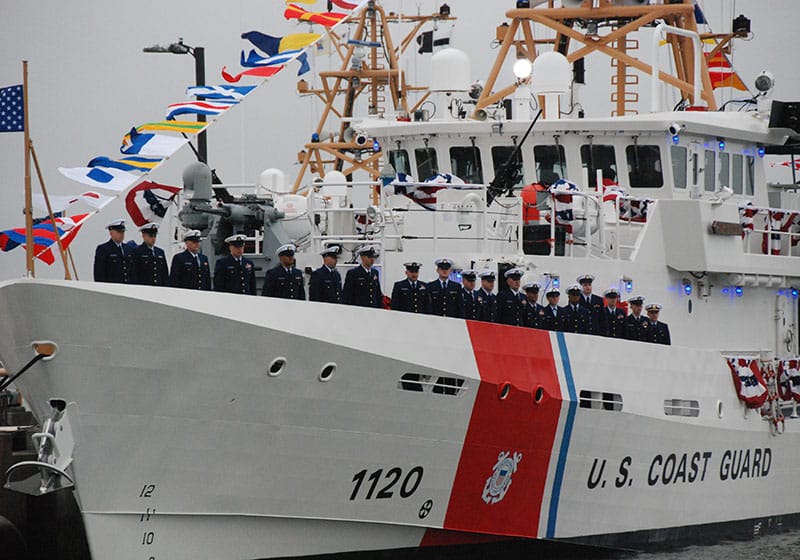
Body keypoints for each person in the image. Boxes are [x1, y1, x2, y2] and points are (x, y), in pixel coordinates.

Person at [94, 219, 136, 284]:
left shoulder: (129, 249)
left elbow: (132, 272)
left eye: (123, 232)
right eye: (119, 232)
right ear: (111, 233)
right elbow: (99, 274)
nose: (121, 234)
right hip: (112, 288)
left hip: (128, 288)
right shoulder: (104, 249)